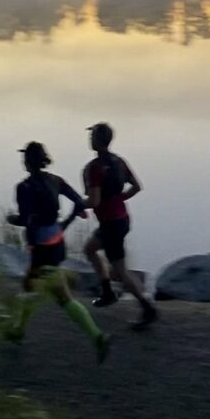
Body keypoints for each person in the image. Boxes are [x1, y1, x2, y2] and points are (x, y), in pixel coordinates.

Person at [6, 141, 111, 363]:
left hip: (41, 249)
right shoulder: (56, 181)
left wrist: (11, 219)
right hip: (57, 244)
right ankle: (17, 331)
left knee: (46, 292)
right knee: (35, 287)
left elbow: (26, 219)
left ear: (27, 162)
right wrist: (71, 218)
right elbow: (78, 202)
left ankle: (98, 337)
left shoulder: (23, 188)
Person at [82, 123, 158, 329]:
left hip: (110, 223)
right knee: (90, 249)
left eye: (92, 136)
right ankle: (107, 291)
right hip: (121, 218)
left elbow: (95, 201)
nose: (89, 139)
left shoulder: (94, 168)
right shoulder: (119, 162)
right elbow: (137, 186)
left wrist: (79, 203)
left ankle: (147, 307)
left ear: (97, 140)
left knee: (121, 271)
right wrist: (120, 197)